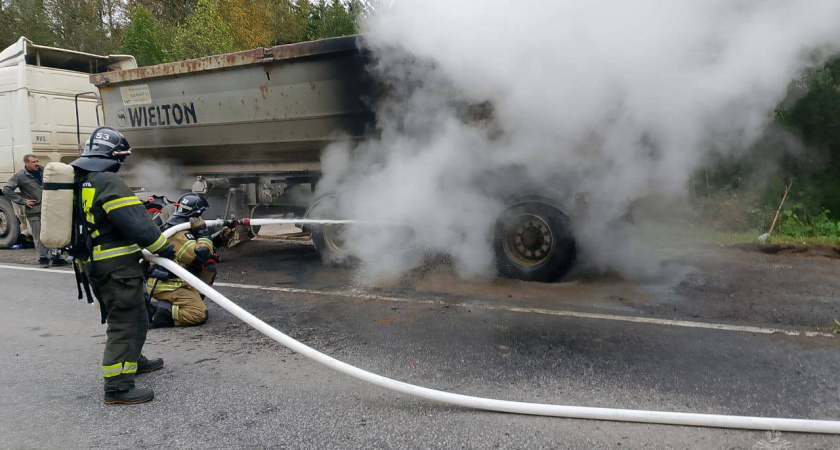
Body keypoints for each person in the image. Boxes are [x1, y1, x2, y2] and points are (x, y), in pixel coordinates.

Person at [70, 127, 176, 405]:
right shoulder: (107, 181)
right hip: (116, 268)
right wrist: (164, 249)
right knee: (125, 322)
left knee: (136, 315)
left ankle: (133, 361)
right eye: (122, 157)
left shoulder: (80, 179)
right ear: (113, 156)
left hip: (97, 265)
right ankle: (117, 387)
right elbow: (136, 223)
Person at [146, 193, 234, 328]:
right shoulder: (178, 234)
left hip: (177, 281)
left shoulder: (182, 228)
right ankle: (153, 311)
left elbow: (203, 249)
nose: (202, 218)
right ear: (194, 215)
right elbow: (200, 255)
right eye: (201, 214)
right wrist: (202, 232)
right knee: (198, 314)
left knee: (209, 270)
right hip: (168, 285)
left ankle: (191, 300)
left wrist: (222, 236)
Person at [2, 154, 67, 267]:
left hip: (50, 209)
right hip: (35, 211)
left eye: (37, 161)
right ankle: (43, 259)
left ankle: (56, 257)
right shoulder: (20, 176)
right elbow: (7, 189)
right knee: (39, 236)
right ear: (26, 163)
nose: (36, 163)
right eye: (33, 162)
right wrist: (23, 201)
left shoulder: (45, 171)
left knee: (53, 233)